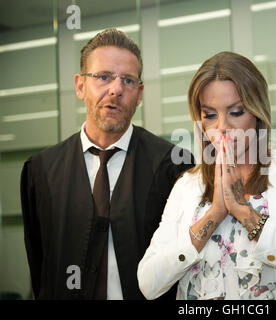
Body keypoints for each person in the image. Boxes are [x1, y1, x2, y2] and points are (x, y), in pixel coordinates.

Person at [137, 51, 276, 300]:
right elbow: (148, 283)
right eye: (209, 115)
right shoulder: (187, 185)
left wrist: (245, 212)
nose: (221, 126)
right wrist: (213, 215)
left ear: (257, 113)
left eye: (235, 112)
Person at [20, 29, 193, 300]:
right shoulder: (41, 171)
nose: (116, 89)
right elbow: (41, 267)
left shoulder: (175, 167)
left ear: (139, 94)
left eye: (128, 80)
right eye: (103, 77)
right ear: (80, 86)